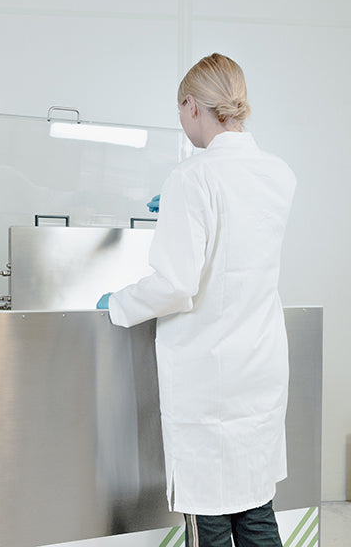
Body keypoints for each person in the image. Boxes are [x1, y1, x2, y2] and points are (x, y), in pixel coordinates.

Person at [97, 53, 296, 547]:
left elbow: (175, 284)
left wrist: (118, 303)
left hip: (210, 378)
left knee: (209, 516)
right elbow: (238, 245)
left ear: (191, 106)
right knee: (254, 507)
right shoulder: (278, 174)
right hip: (260, 365)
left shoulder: (193, 178)